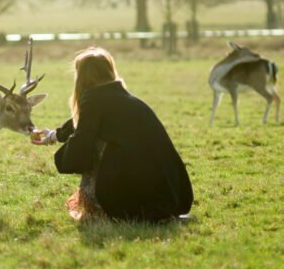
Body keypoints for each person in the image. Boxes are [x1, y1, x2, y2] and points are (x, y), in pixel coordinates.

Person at [31, 47, 193, 222]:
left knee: (93, 145)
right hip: (170, 195)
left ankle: (103, 203)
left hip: (139, 199)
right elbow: (82, 123)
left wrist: (63, 153)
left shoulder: (95, 99)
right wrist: (54, 136)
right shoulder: (122, 98)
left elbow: (82, 138)